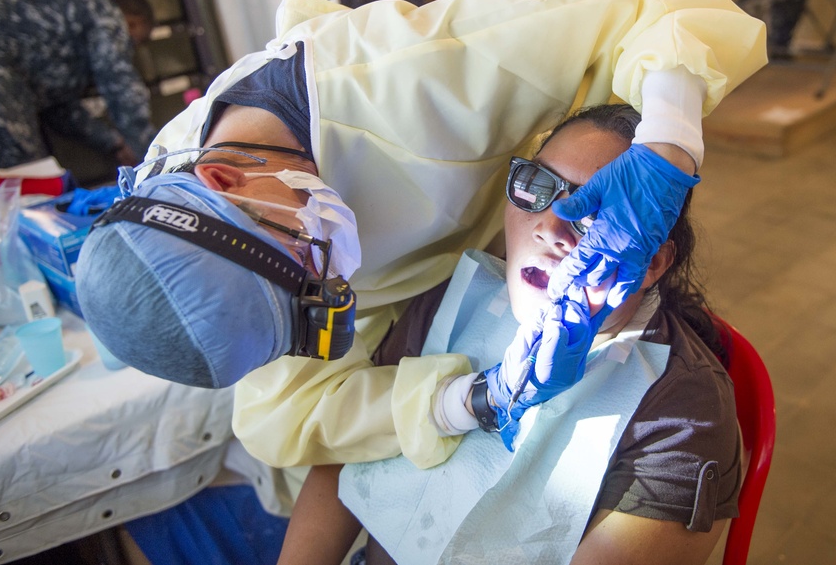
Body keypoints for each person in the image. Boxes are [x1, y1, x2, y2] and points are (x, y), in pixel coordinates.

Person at [75, 0, 765, 473]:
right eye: (307, 309)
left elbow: (663, 8)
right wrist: (465, 400)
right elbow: (281, 411)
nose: (333, 286)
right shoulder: (191, 206)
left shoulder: (413, 77)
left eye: (307, 269)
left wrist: (669, 144)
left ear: (227, 177)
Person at [278, 104, 740, 565]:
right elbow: (351, 446)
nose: (550, 229)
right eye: (537, 187)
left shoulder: (682, 412)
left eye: (595, 214)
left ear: (653, 263)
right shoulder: (457, 300)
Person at [0, 0, 157, 170]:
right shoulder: (104, 12)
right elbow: (121, 85)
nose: (126, 51)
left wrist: (115, 143)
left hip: (3, 75)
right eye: (131, 43)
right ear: (133, 24)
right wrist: (153, 155)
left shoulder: (70, 37)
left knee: (22, 172)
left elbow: (59, 110)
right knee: (24, 169)